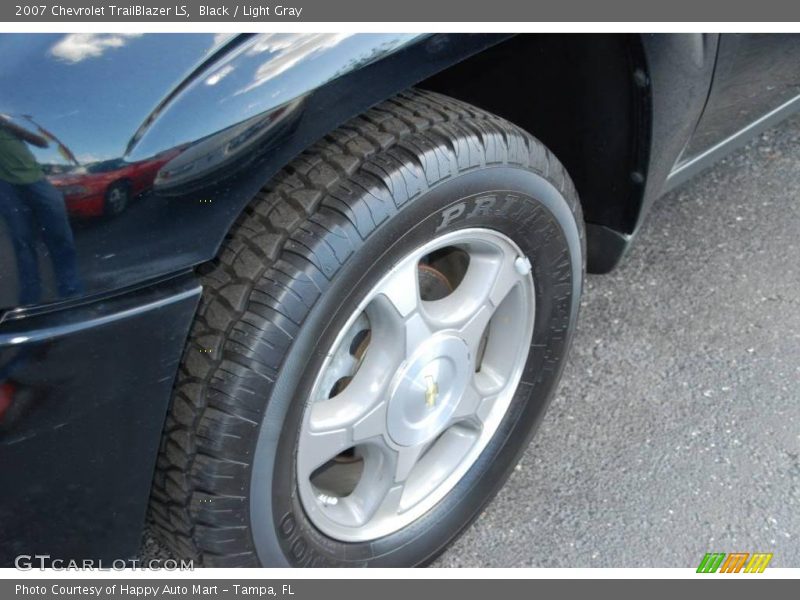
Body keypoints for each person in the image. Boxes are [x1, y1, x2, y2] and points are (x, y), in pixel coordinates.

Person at [0, 114, 81, 305]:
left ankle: (72, 295)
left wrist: (7, 124)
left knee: (60, 236)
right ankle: (30, 300)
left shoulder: (8, 125)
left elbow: (42, 143)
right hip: (6, 187)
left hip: (37, 180)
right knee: (22, 242)